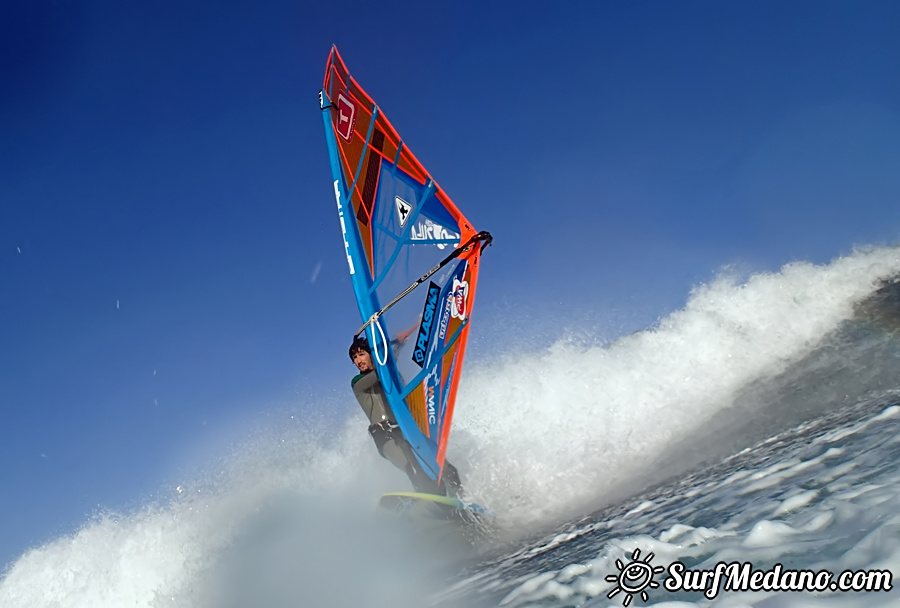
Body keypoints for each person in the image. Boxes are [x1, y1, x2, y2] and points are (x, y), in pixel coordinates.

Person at [349, 335, 463, 497]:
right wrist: (395, 346)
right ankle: (433, 509)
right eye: (354, 357)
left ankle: (463, 504)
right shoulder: (358, 383)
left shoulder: (390, 376)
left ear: (371, 354)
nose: (358, 360)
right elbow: (382, 372)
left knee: (447, 468)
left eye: (361, 354)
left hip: (406, 430)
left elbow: (387, 369)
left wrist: (398, 345)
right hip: (385, 437)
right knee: (415, 470)